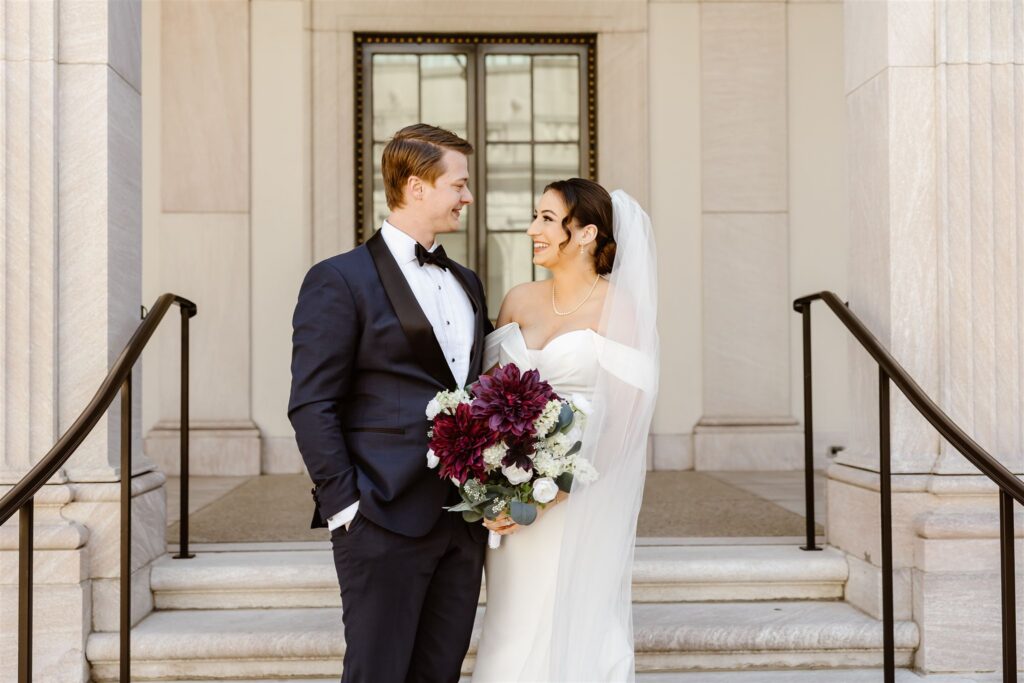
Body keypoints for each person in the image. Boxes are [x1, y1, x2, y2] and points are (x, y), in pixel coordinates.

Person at [288, 123, 492, 683]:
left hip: (461, 520)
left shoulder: (467, 281)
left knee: (440, 672)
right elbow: (312, 404)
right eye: (459, 184)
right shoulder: (338, 279)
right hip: (378, 516)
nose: (468, 197)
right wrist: (347, 508)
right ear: (416, 186)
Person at [472, 179, 660, 682]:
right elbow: (485, 399)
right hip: (511, 502)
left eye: (547, 219)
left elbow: (626, 422)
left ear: (585, 234)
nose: (532, 229)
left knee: (571, 620)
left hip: (579, 499)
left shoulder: (619, 309)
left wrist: (554, 492)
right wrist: (490, 489)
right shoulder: (518, 300)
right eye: (536, 216)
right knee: (512, 620)